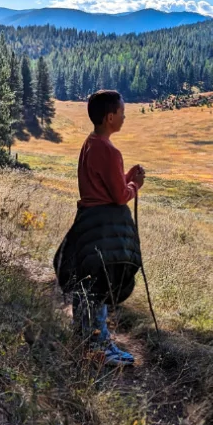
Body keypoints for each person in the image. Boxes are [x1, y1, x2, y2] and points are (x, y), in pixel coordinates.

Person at [53, 90, 146, 366]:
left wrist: (127, 177)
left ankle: (88, 340)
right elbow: (118, 196)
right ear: (109, 118)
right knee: (100, 284)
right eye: (121, 112)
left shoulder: (91, 144)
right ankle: (99, 347)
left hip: (88, 221)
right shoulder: (109, 150)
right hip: (103, 226)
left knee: (89, 283)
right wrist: (135, 186)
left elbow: (105, 184)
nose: (124, 116)